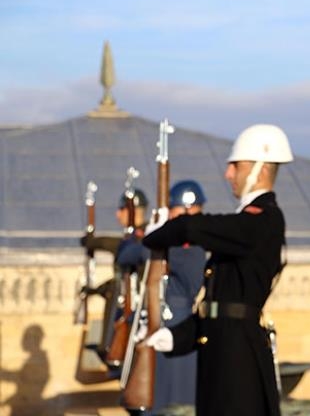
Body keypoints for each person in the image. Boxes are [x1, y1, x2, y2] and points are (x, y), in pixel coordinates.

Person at [141, 124, 294, 416]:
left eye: (235, 166)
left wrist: (156, 234)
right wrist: (178, 336)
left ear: (259, 170)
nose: (228, 174)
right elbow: (219, 304)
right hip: (222, 351)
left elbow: (192, 226)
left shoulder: (263, 219)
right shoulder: (242, 226)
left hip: (239, 358)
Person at [151, 180, 208, 415]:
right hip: (161, 323)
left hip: (179, 326)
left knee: (179, 401)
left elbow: (145, 250)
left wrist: (161, 234)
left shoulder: (193, 248)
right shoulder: (174, 244)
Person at [80, 187, 150, 370]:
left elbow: (122, 250)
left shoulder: (145, 236)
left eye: (122, 210)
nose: (118, 214)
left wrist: (95, 242)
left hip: (137, 306)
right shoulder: (132, 237)